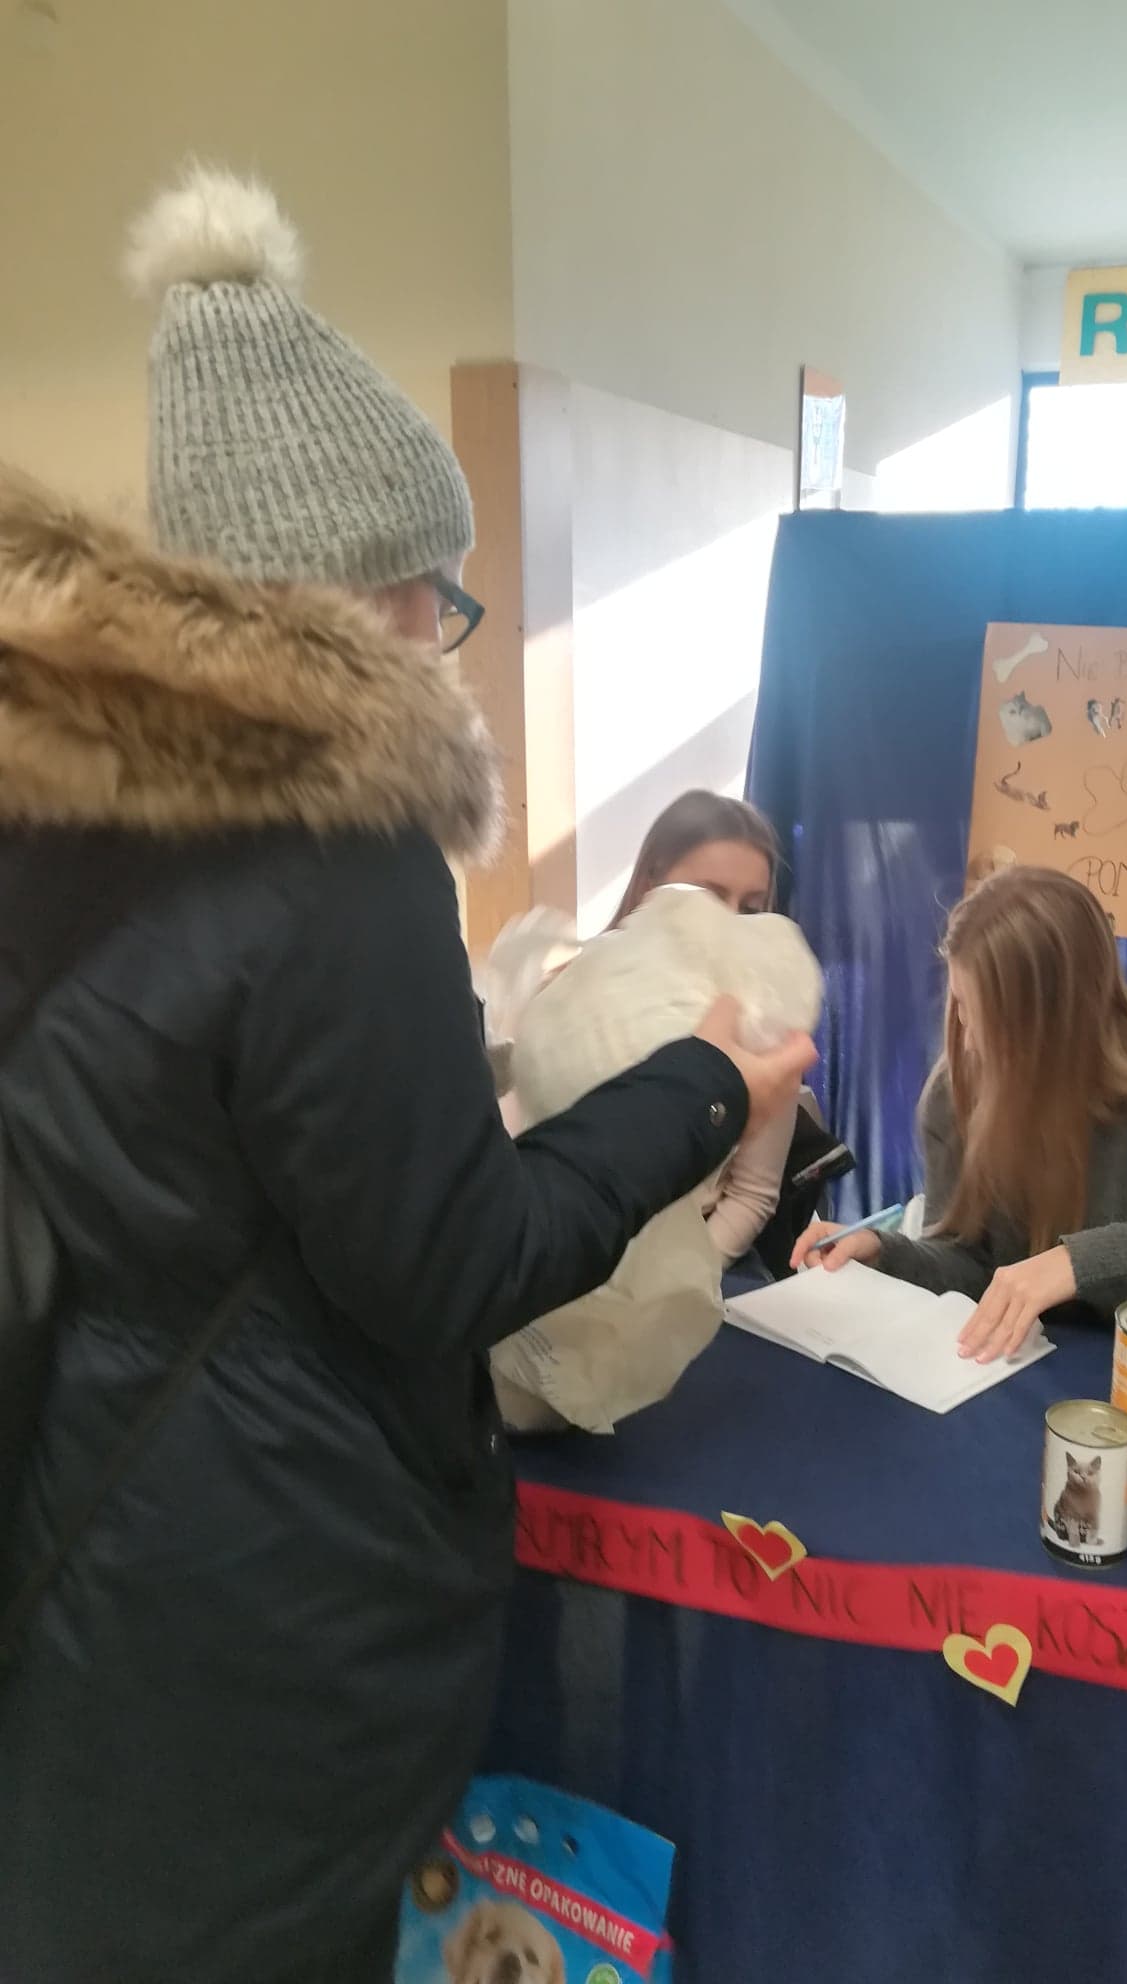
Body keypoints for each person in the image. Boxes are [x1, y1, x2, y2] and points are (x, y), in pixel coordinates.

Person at [0, 167, 812, 1984]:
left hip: (93, 1544)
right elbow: (453, 1263)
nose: (447, 632)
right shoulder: (331, 838)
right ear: (353, 599)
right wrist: (702, 1083)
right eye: (437, 594)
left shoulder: (59, 815)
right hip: (272, 1603)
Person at [793, 867, 1127, 1361]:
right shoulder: (956, 1091)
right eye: (961, 1007)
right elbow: (975, 1265)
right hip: (1028, 1368)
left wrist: (1076, 1263)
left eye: (989, 1019)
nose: (969, 1041)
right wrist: (888, 1256)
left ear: (1061, 1019)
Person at [613, 791, 794, 1271]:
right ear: (650, 884)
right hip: (577, 1258)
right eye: (708, 898)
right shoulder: (574, 994)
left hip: (700, 1261)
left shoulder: (767, 1024)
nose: (729, 923)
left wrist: (675, 1286)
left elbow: (752, 1194)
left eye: (750, 908)